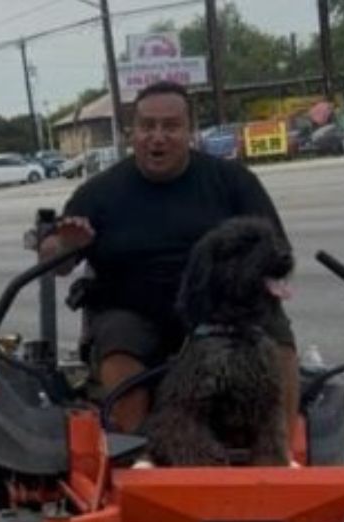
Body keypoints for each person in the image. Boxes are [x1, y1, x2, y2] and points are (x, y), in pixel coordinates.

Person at [39, 80, 296, 432]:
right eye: (147, 126)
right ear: (133, 132)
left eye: (170, 126)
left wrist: (259, 278)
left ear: (190, 131)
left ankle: (279, 456)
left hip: (222, 306)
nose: (157, 137)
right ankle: (135, 457)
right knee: (120, 344)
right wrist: (64, 245)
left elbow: (276, 251)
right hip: (133, 308)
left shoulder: (233, 182)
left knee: (273, 334)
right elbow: (54, 260)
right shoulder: (98, 193)